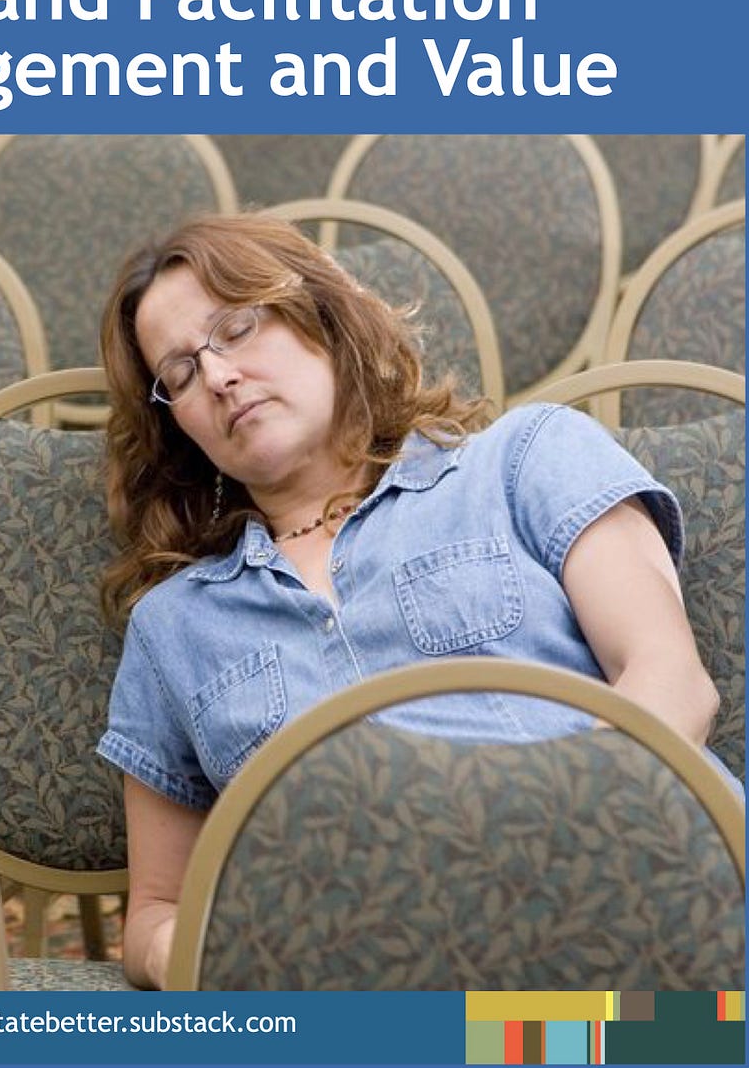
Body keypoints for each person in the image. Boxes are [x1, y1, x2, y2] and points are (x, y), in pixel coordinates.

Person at [94, 212, 730, 990]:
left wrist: (531, 849)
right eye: (182, 374)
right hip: (365, 981)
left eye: (237, 327)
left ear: (321, 315)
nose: (219, 375)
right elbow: (156, 910)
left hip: (617, 900)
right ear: (177, 423)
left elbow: (671, 681)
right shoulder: (174, 625)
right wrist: (219, 952)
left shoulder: (525, 458)